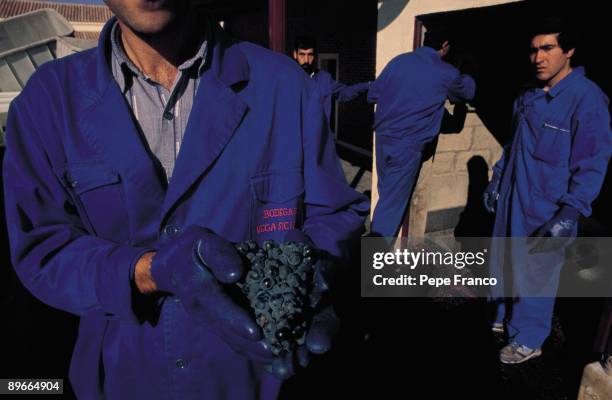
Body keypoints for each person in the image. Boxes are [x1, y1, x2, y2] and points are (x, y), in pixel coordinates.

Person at [2, 0, 369, 398]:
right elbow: (44, 249)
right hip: (123, 379)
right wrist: (148, 271)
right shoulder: (48, 102)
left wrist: (316, 269)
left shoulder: (284, 85)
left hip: (257, 377)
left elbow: (334, 214)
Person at [484, 17, 611, 364]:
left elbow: (593, 162)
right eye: (534, 49)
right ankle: (501, 314)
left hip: (545, 205)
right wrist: (496, 180)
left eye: (548, 48)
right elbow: (512, 146)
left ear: (568, 51)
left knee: (536, 273)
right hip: (512, 194)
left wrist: (571, 212)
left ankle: (528, 338)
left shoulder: (587, 99)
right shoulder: (527, 95)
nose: (538, 57)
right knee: (504, 259)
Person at [366, 27, 475, 238]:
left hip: (383, 139)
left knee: (387, 197)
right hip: (406, 147)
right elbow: (468, 92)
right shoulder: (446, 73)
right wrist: (467, 71)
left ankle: (375, 254)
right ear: (444, 46)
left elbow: (373, 95)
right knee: (391, 207)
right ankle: (370, 263)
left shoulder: (399, 61)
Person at [292, 36, 370, 127]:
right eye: (302, 54)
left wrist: (368, 85)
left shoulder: (324, 78)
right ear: (295, 54)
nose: (306, 60)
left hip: (320, 138)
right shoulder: (287, 79)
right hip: (295, 138)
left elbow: (344, 92)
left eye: (310, 55)